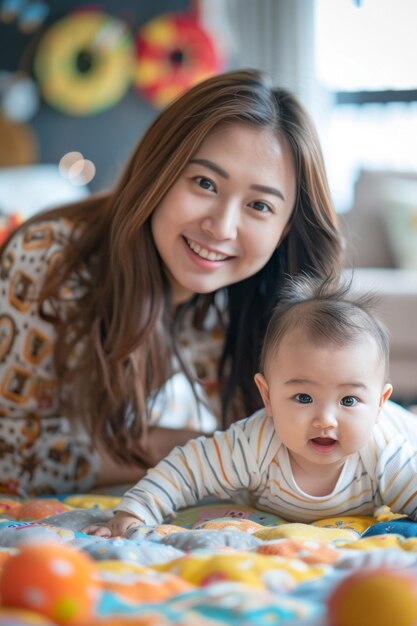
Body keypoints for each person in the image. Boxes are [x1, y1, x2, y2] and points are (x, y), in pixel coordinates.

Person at [85, 275, 417, 537]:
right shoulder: (254, 443)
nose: (325, 420)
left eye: (348, 400)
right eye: (303, 398)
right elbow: (186, 470)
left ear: (378, 404)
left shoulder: (386, 452)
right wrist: (133, 513)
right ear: (268, 396)